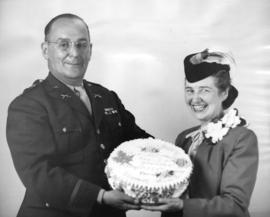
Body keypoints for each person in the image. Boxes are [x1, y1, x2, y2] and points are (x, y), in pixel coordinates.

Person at [6, 13, 152, 217]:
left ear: (90, 50)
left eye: (82, 45)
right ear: (46, 50)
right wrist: (100, 196)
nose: (75, 53)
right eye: (64, 44)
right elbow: (38, 173)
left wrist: (174, 157)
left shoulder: (106, 96)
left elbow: (139, 142)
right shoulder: (28, 105)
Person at [141, 49, 258, 217]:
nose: (195, 99)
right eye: (190, 90)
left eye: (204, 90)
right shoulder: (184, 138)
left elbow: (235, 205)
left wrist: (182, 206)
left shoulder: (242, 139)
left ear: (224, 93)